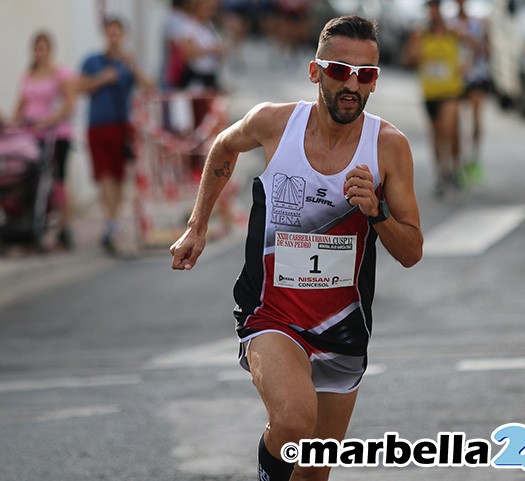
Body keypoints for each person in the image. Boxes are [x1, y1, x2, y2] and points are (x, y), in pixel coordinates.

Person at [170, 15, 423, 481]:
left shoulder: (388, 147)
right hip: (272, 314)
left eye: (365, 75)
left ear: (375, 81)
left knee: (313, 471)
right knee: (292, 422)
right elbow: (223, 148)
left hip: (343, 327)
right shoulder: (274, 124)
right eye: (339, 70)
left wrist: (377, 212)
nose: (351, 84)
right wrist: (197, 226)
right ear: (315, 72)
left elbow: (411, 251)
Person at [78, 17, 154, 255]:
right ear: (105, 35)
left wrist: (133, 67)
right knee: (104, 175)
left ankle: (112, 222)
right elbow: (80, 87)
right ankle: (111, 223)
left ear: (123, 36)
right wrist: (103, 78)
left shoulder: (127, 63)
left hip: (122, 127)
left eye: (117, 33)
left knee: (119, 176)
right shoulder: (92, 61)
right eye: (110, 33)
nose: (114, 38)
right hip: (97, 125)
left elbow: (150, 86)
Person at [13, 31, 77, 249]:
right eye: (37, 48)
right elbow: (20, 107)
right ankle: (30, 221)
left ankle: (65, 226)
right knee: (30, 178)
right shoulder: (29, 75)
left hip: (55, 133)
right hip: (31, 135)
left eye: (44, 48)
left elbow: (69, 104)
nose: (40, 52)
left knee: (58, 179)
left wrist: (49, 119)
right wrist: (14, 126)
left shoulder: (60, 73)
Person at [404, 0, 465, 197]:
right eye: (430, 9)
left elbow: (474, 45)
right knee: (437, 134)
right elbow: (408, 59)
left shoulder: (453, 33)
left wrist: (466, 63)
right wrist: (415, 50)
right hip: (430, 93)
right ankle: (441, 174)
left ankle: (452, 169)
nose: (433, 13)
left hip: (450, 92)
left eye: (436, 9)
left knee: (448, 130)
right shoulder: (420, 35)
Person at [448, 0, 490, 185]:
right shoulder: (449, 22)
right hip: (454, 78)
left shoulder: (477, 21)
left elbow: (485, 48)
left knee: (476, 117)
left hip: (475, 76)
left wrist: (469, 40)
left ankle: (474, 158)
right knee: (454, 122)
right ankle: (457, 164)